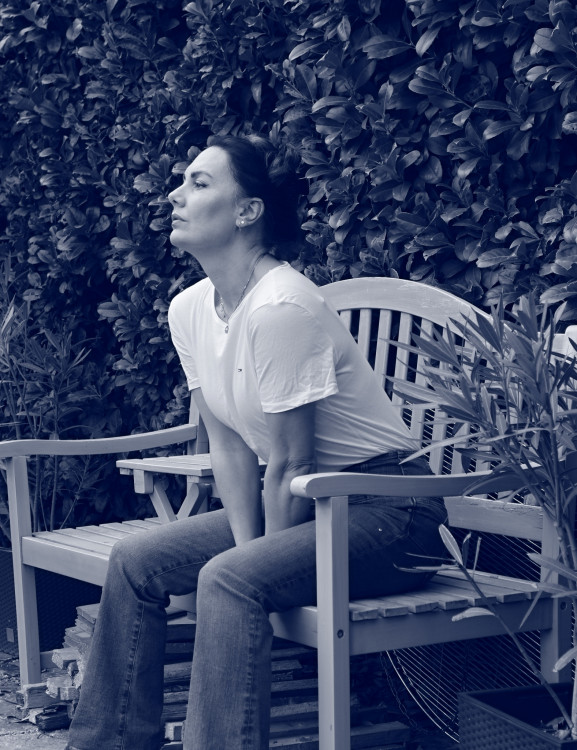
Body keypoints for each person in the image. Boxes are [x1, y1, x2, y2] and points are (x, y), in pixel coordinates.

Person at [65, 134, 448, 750]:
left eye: (199, 183)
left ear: (248, 211)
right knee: (136, 562)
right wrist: (253, 552)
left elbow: (294, 460)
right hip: (309, 505)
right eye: (181, 181)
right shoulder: (189, 309)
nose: (175, 195)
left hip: (389, 510)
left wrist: (251, 562)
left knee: (228, 580)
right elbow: (232, 448)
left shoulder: (281, 307)